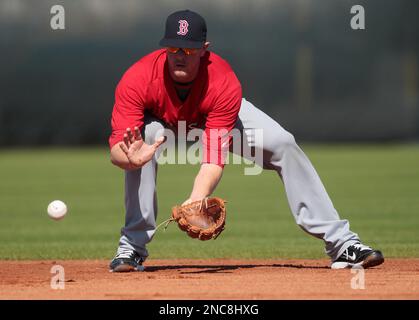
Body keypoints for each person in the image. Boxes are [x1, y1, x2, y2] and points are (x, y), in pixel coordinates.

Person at [108, 9, 384, 272]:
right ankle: (131, 248)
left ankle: (342, 244)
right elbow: (118, 150)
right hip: (159, 122)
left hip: (213, 116)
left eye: (189, 49)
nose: (180, 55)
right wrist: (129, 160)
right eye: (173, 48)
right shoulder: (137, 79)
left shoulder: (223, 80)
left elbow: (214, 157)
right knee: (144, 142)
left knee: (282, 143)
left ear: (205, 48)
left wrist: (195, 200)